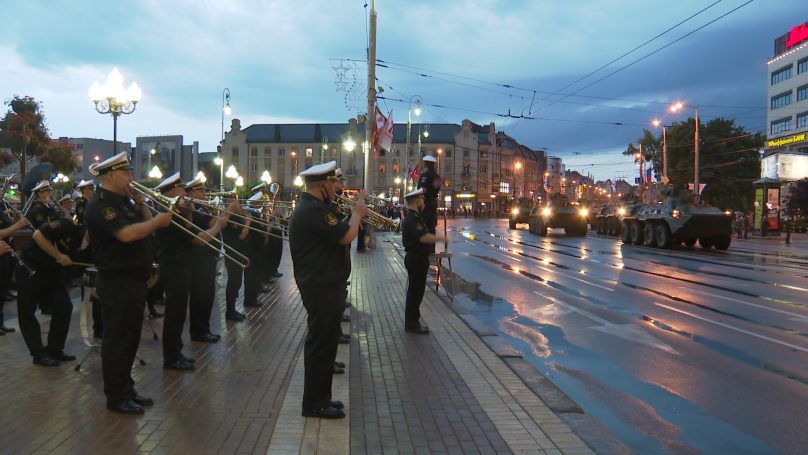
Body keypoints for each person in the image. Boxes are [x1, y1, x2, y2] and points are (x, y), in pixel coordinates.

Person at [85, 151, 172, 414]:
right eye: (126, 173)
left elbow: (144, 225)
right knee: (118, 340)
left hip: (133, 280)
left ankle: (126, 387)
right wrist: (157, 220)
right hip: (117, 280)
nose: (131, 178)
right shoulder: (102, 203)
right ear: (110, 175)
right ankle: (116, 396)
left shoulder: (124, 200)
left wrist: (144, 205)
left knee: (131, 337)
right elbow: (125, 234)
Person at [289, 161, 366, 419]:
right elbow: (345, 236)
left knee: (325, 345)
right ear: (323, 185)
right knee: (320, 346)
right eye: (333, 183)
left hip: (326, 284)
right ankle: (314, 404)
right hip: (320, 286)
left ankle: (321, 398)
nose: (336, 188)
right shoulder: (312, 210)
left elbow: (337, 233)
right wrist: (357, 213)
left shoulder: (317, 208)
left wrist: (351, 216)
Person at [16, 212, 90, 365]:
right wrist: (58, 254)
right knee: (27, 311)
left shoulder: (92, 249)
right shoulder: (68, 226)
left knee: (64, 307)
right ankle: (38, 354)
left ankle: (55, 349)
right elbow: (38, 235)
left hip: (52, 272)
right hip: (31, 265)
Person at [153, 173, 197, 371]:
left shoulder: (177, 211)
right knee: (174, 313)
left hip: (181, 264)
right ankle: (170, 357)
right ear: (171, 191)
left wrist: (188, 213)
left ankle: (176, 351)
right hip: (173, 265)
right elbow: (190, 235)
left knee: (179, 312)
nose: (184, 193)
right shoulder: (167, 211)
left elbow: (188, 228)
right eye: (181, 189)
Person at [185, 177, 237, 343]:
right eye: (201, 191)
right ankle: (199, 331)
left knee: (208, 296)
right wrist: (228, 212)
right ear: (192, 192)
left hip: (209, 256)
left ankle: (204, 329)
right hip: (200, 257)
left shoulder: (203, 208)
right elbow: (216, 224)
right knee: (201, 296)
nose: (205, 193)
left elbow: (216, 221)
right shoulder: (196, 210)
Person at [401, 188, 448, 334]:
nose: (424, 202)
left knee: (415, 292)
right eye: (421, 199)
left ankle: (412, 322)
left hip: (415, 258)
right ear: (416, 201)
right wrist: (441, 238)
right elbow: (423, 237)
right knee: (416, 293)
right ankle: (412, 324)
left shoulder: (413, 217)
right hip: (416, 259)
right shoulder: (414, 218)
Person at [0, 208, 29, 334]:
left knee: (1, 291)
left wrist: (15, 223)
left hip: (4, 252)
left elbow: (5, 230)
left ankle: (0, 324)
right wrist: (18, 225)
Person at [417, 155, 442, 252]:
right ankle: (431, 249)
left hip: (425, 204)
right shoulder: (437, 177)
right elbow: (437, 190)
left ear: (427, 164)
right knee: (432, 228)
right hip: (433, 205)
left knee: (423, 227)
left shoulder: (425, 176)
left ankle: (423, 249)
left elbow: (421, 190)